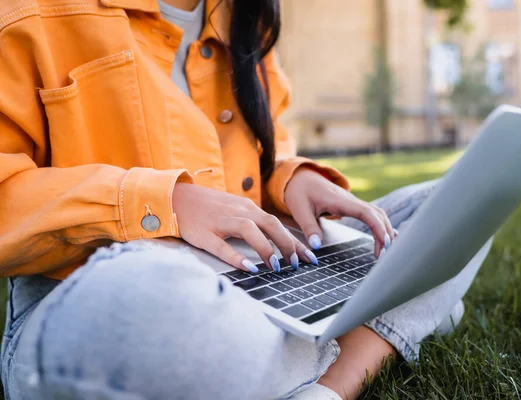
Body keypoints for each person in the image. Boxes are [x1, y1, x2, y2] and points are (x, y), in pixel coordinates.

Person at [0, 0, 490, 398]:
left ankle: (327, 384)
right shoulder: (29, 13)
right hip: (98, 288)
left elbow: (265, 148)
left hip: (261, 271)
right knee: (143, 309)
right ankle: (391, 322)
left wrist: (289, 179)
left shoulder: (246, 15)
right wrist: (163, 203)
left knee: (463, 200)